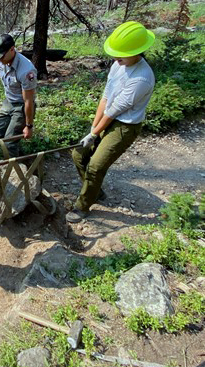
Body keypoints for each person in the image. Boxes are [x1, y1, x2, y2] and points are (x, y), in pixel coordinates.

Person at [67, 21, 156, 224]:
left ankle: (83, 205)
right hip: (108, 118)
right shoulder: (118, 66)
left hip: (124, 126)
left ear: (138, 51)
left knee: (96, 166)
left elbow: (115, 111)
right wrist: (93, 129)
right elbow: (106, 99)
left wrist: (96, 133)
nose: (116, 58)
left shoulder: (142, 78)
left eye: (121, 54)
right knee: (78, 154)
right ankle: (95, 191)